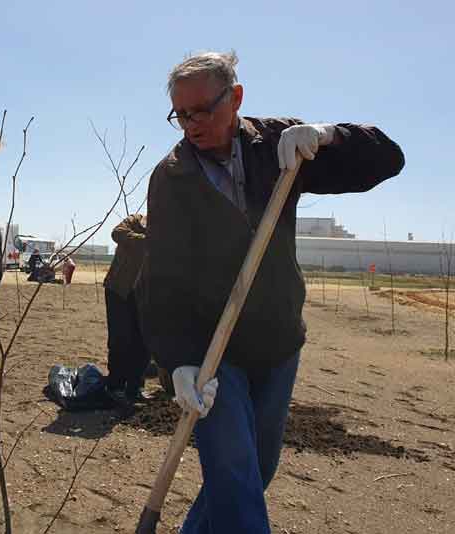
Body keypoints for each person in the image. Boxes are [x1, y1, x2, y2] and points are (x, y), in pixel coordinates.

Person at [141, 51, 404, 534]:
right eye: (182, 114)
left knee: (254, 470)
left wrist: (329, 136)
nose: (191, 125)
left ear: (235, 97)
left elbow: (388, 159)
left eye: (204, 110)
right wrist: (177, 361)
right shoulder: (172, 176)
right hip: (214, 354)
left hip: (279, 341)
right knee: (234, 472)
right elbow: (161, 280)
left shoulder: (276, 146)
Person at [103, 214, 149, 403]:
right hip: (118, 290)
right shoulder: (135, 221)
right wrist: (148, 241)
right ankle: (115, 386)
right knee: (120, 339)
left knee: (143, 342)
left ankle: (135, 387)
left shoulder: (169, 231)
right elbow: (117, 233)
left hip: (144, 295)